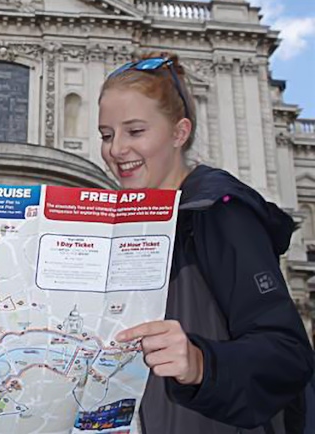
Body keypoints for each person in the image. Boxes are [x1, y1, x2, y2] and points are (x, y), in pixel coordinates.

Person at [98, 53, 314, 433]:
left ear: (179, 133)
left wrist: (200, 363)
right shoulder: (136, 227)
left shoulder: (220, 214)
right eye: (106, 135)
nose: (116, 150)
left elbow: (288, 356)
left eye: (135, 132)